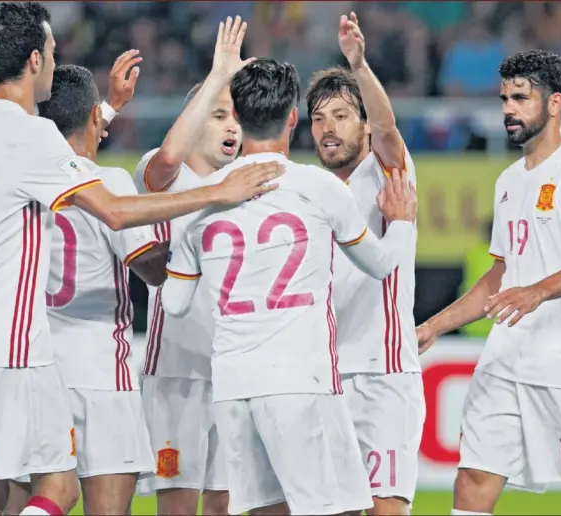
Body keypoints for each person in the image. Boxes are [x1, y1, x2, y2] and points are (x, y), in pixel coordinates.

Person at [0, 3, 281, 516]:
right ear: (32, 60)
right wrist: (214, 196)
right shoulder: (36, 139)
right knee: (61, 493)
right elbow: (113, 209)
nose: (53, 58)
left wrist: (104, 110)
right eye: (49, 50)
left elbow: (58, 153)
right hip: (15, 348)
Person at [161, 57, 418, 516]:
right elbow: (380, 265)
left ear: (237, 118)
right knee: (336, 510)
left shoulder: (204, 198)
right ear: (295, 119)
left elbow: (175, 302)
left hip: (233, 385)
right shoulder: (316, 186)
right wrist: (400, 224)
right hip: (302, 379)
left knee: (267, 511)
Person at [416, 49, 561, 515]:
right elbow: (501, 275)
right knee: (473, 480)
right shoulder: (508, 181)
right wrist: (434, 326)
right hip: (505, 360)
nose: (508, 108)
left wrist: (537, 291)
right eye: (504, 98)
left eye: (520, 98)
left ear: (555, 103)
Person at [305, 13, 424, 515]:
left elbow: (389, 128)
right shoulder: (310, 190)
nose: (327, 128)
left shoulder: (386, 173)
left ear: (362, 124)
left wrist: (357, 62)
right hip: (324, 376)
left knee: (384, 509)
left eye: (340, 115)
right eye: (318, 118)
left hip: (383, 372)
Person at [133, 16, 253, 515]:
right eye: (219, 114)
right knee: (177, 507)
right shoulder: (162, 174)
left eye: (237, 118)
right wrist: (219, 74)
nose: (232, 126)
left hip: (233, 371)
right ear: (194, 116)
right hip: (175, 372)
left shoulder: (250, 186)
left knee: (224, 507)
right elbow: (165, 159)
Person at [39, 63, 167, 515]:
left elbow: (71, 148)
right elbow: (153, 272)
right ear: (93, 117)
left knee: (34, 500)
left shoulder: (30, 183)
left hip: (42, 369)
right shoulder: (109, 183)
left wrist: (106, 109)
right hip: (101, 375)